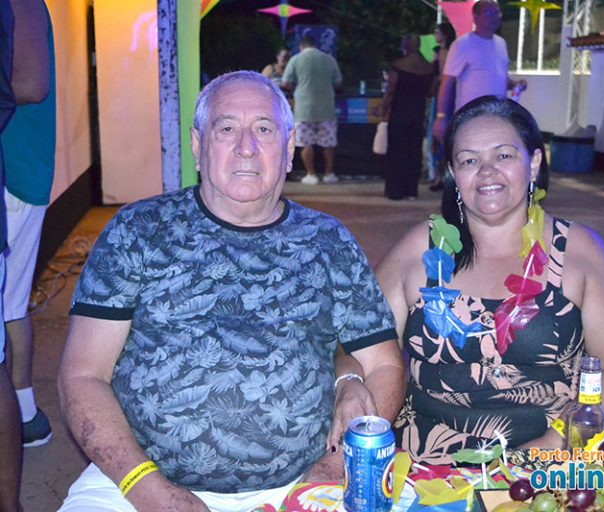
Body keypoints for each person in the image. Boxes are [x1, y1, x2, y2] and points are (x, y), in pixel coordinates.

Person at [57, 70, 405, 511]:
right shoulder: (137, 231)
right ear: (198, 145)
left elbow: (385, 365)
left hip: (303, 481)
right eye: (226, 129)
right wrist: (151, 491)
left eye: (264, 129)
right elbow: (83, 375)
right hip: (136, 481)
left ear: (289, 149)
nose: (246, 146)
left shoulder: (328, 241)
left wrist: (332, 469)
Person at [375, 96, 604, 464]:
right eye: (469, 161)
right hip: (429, 461)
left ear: (533, 163)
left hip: (556, 459)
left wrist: (551, 445)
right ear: (453, 173)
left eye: (503, 155)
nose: (487, 172)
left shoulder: (577, 250)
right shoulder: (419, 249)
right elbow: (364, 347)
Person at [2, 0, 55, 449]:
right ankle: (24, 416)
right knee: (10, 306)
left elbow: (32, 85)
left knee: (9, 306)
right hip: (21, 172)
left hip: (13, 173)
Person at [432, 0, 527, 144]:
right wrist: (441, 116)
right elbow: (447, 83)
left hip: (497, 117)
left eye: (497, 13)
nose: (495, 17)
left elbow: (497, 77)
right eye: (489, 13)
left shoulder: (501, 44)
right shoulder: (463, 44)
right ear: (475, 17)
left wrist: (515, 84)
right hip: (470, 118)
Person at [281, 35, 342, 185]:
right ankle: (329, 174)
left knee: (306, 144)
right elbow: (338, 83)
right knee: (328, 144)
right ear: (315, 45)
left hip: (303, 109)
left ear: (301, 46)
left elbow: (286, 83)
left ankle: (311, 175)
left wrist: (297, 87)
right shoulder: (329, 59)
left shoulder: (295, 59)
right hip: (327, 108)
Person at [379, 34, 434, 201]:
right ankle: (411, 190)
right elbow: (431, 91)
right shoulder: (427, 67)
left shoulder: (399, 66)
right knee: (414, 151)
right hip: (418, 113)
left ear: (407, 45)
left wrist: (383, 109)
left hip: (400, 112)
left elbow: (391, 91)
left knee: (397, 151)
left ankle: (395, 190)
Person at [428, 22, 456, 192]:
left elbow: (442, 76)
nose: (435, 34)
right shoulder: (439, 51)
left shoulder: (447, 51)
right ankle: (440, 174)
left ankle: (441, 175)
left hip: (444, 94)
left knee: (441, 135)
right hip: (442, 93)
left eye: (437, 31)